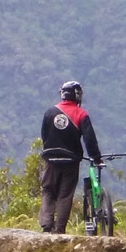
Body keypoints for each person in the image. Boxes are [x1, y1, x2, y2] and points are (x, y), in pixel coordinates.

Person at [38, 80, 102, 234]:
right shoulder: (82, 114)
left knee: (48, 190)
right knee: (65, 194)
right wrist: (96, 157)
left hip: (51, 159)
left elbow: (44, 135)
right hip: (71, 161)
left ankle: (46, 224)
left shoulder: (50, 112)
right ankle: (59, 229)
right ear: (77, 95)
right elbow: (89, 140)